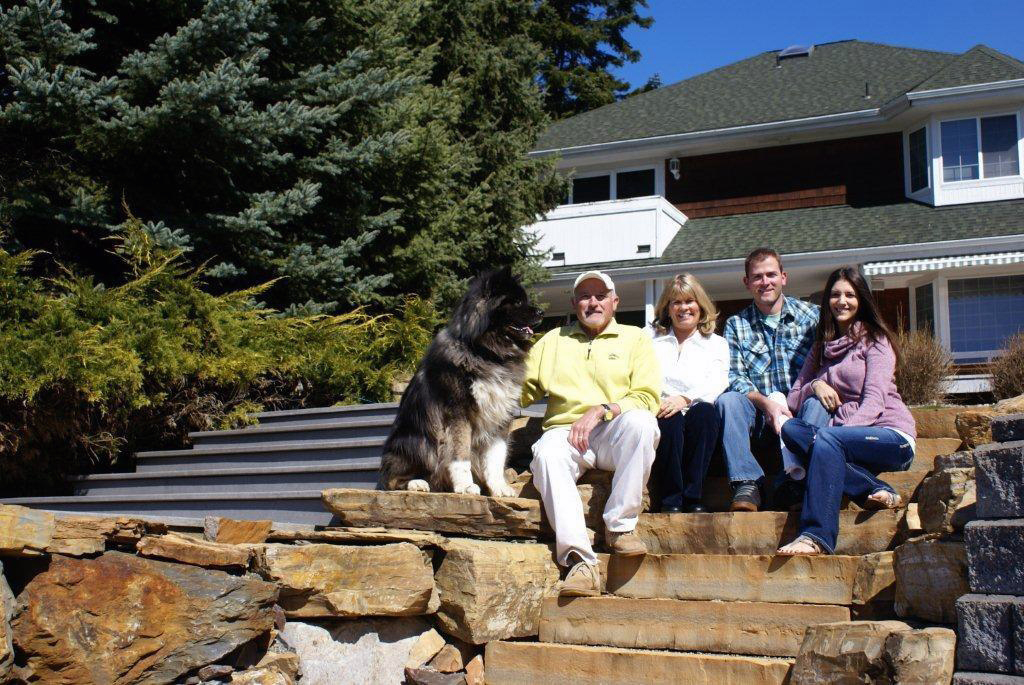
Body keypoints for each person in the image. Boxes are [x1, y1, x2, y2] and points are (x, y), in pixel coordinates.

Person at [522, 270, 661, 596]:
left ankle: (620, 527)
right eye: (585, 296)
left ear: (615, 301)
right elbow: (517, 390)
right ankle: (581, 563)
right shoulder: (553, 341)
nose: (593, 301)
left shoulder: (635, 338)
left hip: (613, 428)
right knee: (546, 455)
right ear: (574, 303)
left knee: (643, 423)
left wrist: (602, 409)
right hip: (565, 432)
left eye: (601, 295)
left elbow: (647, 397)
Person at [776, 266, 917, 555]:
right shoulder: (820, 347)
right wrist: (815, 385)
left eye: (850, 295)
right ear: (827, 300)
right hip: (844, 443)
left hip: (890, 435)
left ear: (861, 300)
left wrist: (836, 436)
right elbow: (793, 399)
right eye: (836, 294)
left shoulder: (875, 339)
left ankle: (816, 536)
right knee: (790, 428)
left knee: (825, 440)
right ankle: (874, 488)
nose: (842, 301)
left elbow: (874, 401)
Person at [715, 248, 821, 511]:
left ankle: (798, 481)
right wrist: (766, 404)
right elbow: (735, 377)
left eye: (771, 274)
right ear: (747, 282)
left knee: (819, 403)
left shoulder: (812, 317)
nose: (766, 282)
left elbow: (828, 364)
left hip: (801, 413)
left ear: (783, 277)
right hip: (759, 417)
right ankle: (747, 483)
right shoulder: (736, 324)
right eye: (758, 277)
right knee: (728, 400)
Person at [649, 273, 727, 513]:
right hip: (660, 406)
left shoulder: (716, 343)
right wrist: (662, 402)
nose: (684, 308)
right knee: (668, 420)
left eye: (689, 301)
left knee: (704, 413)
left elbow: (718, 380)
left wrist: (685, 398)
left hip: (695, 405)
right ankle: (670, 499)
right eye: (676, 302)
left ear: (700, 305)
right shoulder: (650, 339)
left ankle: (693, 497)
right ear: (668, 308)